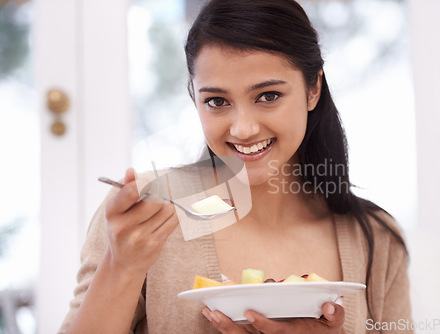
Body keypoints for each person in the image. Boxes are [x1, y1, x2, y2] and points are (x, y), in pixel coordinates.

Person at [59, 0, 413, 333]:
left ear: (312, 89)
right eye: (216, 101)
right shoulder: (144, 217)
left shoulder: (376, 239)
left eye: (268, 96)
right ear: (193, 96)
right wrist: (121, 265)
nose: (243, 129)